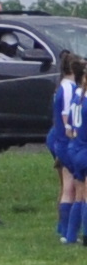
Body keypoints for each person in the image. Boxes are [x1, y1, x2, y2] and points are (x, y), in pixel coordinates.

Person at [47, 44, 87, 247]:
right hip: (73, 145)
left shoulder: (70, 91)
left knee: (71, 189)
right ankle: (73, 232)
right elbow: (67, 124)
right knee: (76, 190)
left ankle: (68, 233)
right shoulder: (72, 91)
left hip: (69, 145)